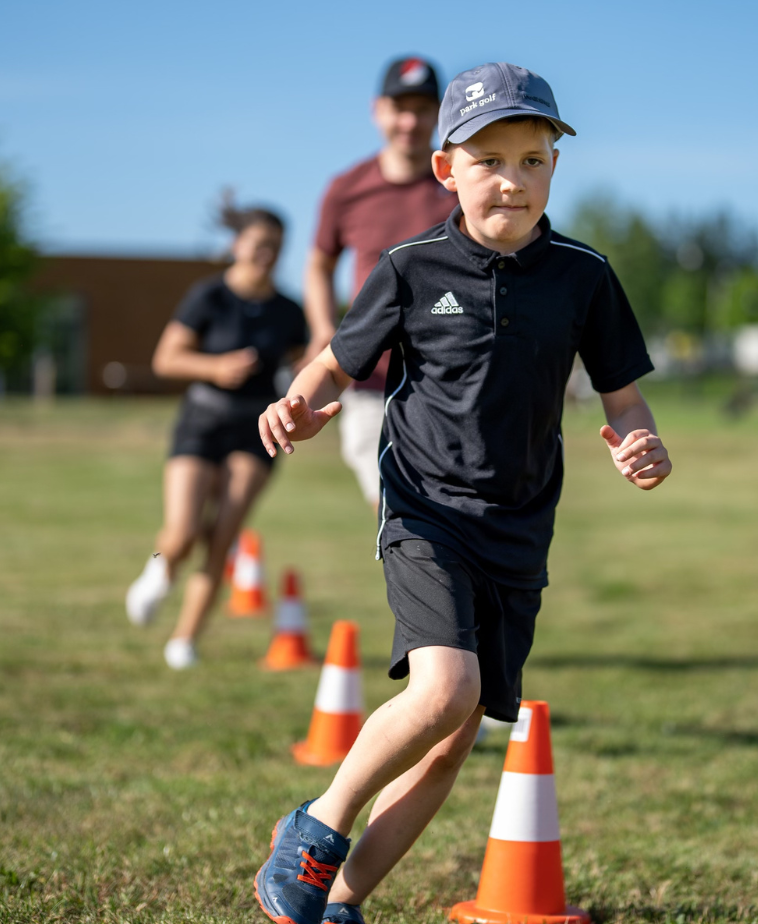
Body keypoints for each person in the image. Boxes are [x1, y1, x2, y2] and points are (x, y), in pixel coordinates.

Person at [251, 63, 672, 924]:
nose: (511, 180)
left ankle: (339, 901)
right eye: (489, 160)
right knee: (444, 691)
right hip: (423, 509)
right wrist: (301, 406)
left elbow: (623, 394)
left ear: (555, 166)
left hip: (519, 527)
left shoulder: (585, 276)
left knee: (450, 742)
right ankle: (314, 830)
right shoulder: (409, 267)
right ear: (448, 168)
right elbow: (333, 367)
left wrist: (641, 441)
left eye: (532, 159)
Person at [124, 200, 308, 669]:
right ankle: (159, 566)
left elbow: (308, 362)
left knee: (223, 534)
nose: (268, 255)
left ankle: (184, 640)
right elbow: (167, 359)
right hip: (202, 419)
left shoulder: (289, 310)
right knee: (183, 530)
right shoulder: (208, 297)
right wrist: (215, 366)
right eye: (259, 245)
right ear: (237, 245)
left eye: (277, 248)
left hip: (255, 429)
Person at [304, 56, 457, 510]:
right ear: (378, 110)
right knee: (395, 505)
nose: (409, 121)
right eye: (399, 107)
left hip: (449, 378)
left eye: (423, 109)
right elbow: (318, 264)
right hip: (370, 379)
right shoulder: (347, 188)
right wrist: (322, 328)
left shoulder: (460, 187)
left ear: (440, 115)